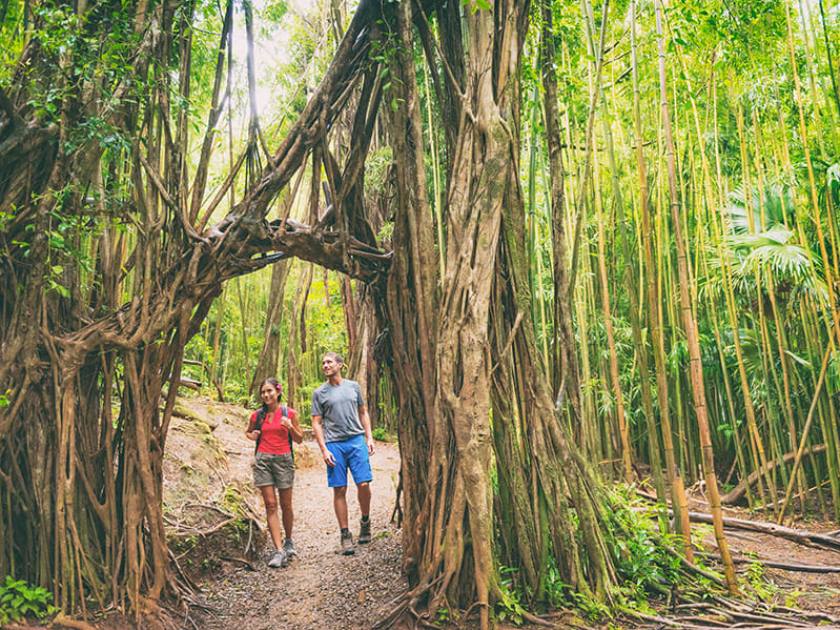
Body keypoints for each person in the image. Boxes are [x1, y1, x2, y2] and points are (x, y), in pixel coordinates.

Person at [311, 352, 375, 555]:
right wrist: (324, 449)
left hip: (356, 440)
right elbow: (316, 423)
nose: (325, 365)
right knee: (339, 489)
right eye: (323, 363)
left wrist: (369, 437)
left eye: (329, 362)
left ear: (340, 364)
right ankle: (345, 534)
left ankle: (365, 520)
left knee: (363, 483)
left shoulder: (353, 387)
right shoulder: (319, 393)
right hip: (334, 444)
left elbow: (363, 412)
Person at [246, 377, 303, 568]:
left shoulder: (289, 413)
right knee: (271, 505)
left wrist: (290, 427)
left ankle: (288, 541)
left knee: (286, 505)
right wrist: (251, 435)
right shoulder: (257, 416)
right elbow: (249, 432)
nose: (266, 395)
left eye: (269, 391)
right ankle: (278, 551)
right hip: (263, 460)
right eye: (263, 392)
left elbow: (300, 439)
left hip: (284, 460)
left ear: (278, 391)